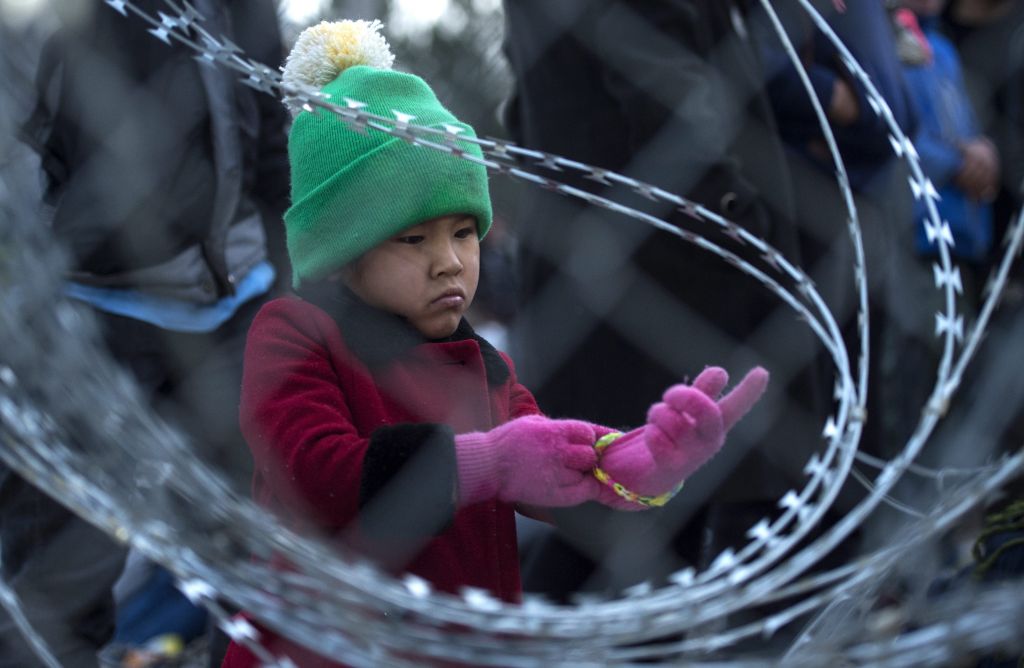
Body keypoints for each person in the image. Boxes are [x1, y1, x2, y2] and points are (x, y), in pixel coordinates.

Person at [220, 20, 769, 667]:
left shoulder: (483, 366)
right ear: (343, 254)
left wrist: (641, 467)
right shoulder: (294, 334)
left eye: (464, 232)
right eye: (413, 239)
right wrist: (488, 463)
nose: (450, 262)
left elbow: (549, 470)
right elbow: (319, 477)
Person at [501, 0, 824, 599]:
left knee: (601, 515)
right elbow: (665, 82)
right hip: (668, 259)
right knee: (649, 511)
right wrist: (737, 213)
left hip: (602, 251)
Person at [1, 0, 289, 665]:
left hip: (236, 305)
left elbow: (270, 132)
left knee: (261, 563)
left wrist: (284, 288)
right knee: (62, 583)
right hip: (83, 319)